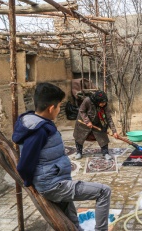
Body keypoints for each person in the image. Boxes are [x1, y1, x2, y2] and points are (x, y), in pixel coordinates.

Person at [12, 83, 113, 231]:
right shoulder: (39, 130)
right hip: (54, 185)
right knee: (104, 191)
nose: (59, 109)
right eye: (59, 106)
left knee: (72, 224)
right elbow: (24, 165)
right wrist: (31, 183)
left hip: (57, 180)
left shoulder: (36, 123)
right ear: (51, 108)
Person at [73, 90, 119, 160]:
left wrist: (114, 131)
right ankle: (79, 152)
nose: (103, 104)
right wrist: (87, 121)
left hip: (98, 122)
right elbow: (82, 110)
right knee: (79, 137)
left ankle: (105, 152)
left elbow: (109, 118)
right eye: (102, 103)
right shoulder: (87, 100)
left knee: (103, 137)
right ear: (97, 101)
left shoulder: (105, 105)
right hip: (83, 122)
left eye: (104, 102)